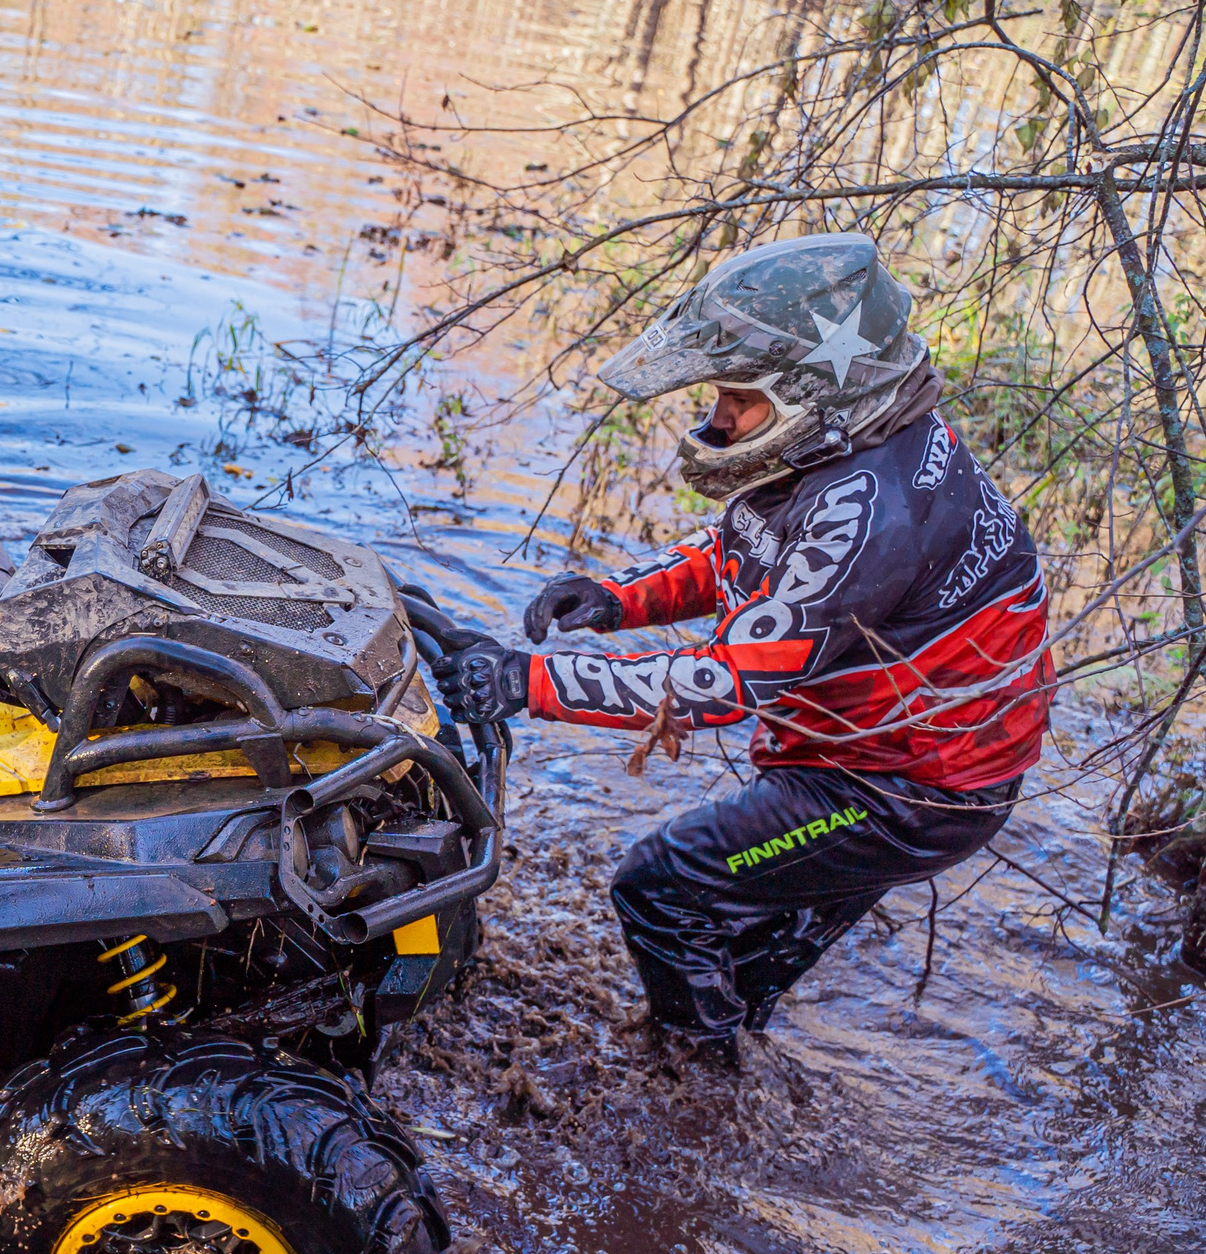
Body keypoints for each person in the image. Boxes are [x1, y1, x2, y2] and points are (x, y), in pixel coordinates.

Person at [432, 233, 1052, 1062]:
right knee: (746, 957)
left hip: (904, 789)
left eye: (738, 399)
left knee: (660, 889)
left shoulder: (872, 510)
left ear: (813, 391)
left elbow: (729, 682)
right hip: (907, 758)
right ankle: (733, 1088)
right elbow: (754, 550)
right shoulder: (849, 445)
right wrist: (618, 598)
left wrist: (529, 680)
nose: (719, 418)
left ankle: (697, 1086)